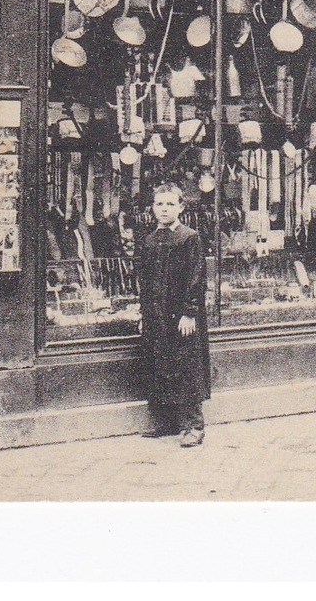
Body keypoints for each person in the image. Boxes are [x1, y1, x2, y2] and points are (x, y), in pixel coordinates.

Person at [137, 183, 211, 447]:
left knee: (187, 367)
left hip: (181, 316)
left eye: (170, 204)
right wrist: (144, 314)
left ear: (181, 207)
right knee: (161, 366)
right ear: (152, 208)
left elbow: (197, 277)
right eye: (160, 204)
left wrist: (189, 312)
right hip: (157, 315)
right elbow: (144, 281)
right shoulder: (148, 240)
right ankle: (168, 422)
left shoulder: (189, 237)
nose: (164, 209)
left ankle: (194, 425)